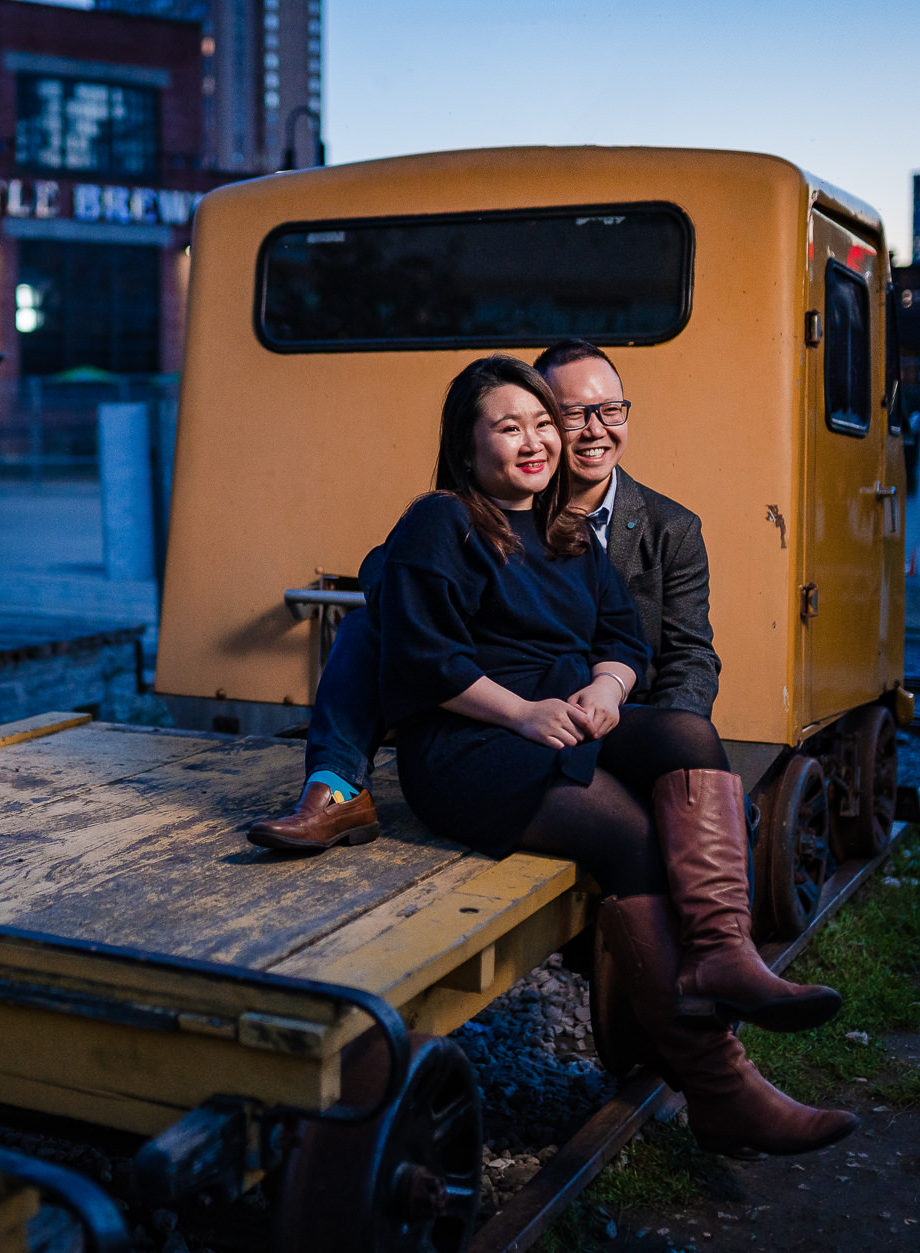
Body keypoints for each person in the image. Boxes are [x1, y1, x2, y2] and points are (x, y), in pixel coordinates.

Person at [261, 355, 855, 1157]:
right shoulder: (441, 521)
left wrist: (609, 688)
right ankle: (723, 1087)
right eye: (510, 428)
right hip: (471, 746)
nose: (537, 441)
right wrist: (524, 711)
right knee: (630, 835)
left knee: (688, 733)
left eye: (543, 424)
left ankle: (722, 954)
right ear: (467, 448)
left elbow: (621, 636)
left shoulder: (567, 533)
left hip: (564, 720)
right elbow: (419, 660)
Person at [250, 339, 716, 854]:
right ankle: (335, 784)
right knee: (374, 622)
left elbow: (688, 656)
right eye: (572, 415)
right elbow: (391, 573)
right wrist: (425, 578)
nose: (594, 429)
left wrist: (648, 750)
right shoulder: (465, 512)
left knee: (687, 767)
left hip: (611, 711)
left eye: (610, 410)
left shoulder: (668, 528)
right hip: (495, 716)